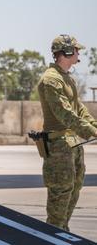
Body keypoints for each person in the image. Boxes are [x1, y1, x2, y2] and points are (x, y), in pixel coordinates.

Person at [37, 34, 97, 231]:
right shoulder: (51, 80)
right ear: (67, 52)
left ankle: (62, 230)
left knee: (75, 187)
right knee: (61, 191)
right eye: (76, 50)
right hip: (59, 145)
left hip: (71, 141)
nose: (79, 53)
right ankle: (53, 232)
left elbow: (78, 109)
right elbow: (64, 112)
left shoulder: (66, 78)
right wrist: (90, 131)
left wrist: (93, 127)